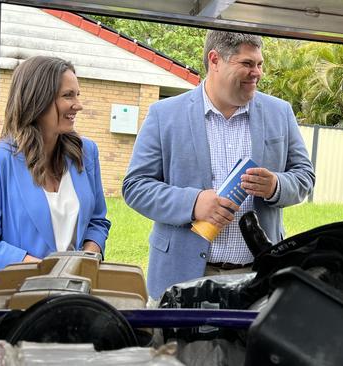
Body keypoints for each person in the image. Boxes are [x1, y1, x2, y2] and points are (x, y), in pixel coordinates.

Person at [123, 30, 315, 300]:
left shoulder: (280, 112)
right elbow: (135, 187)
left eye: (259, 64)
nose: (257, 72)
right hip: (183, 277)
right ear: (215, 60)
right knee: (177, 345)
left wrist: (276, 185)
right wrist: (193, 203)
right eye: (247, 64)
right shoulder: (164, 115)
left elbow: (305, 177)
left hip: (257, 277)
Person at [0, 56, 111, 292]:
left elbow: (98, 221)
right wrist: (46, 272)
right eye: (68, 95)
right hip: (10, 297)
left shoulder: (86, 152)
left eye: (77, 95)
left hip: (73, 293)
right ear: (37, 99)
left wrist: (88, 257)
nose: (78, 104)